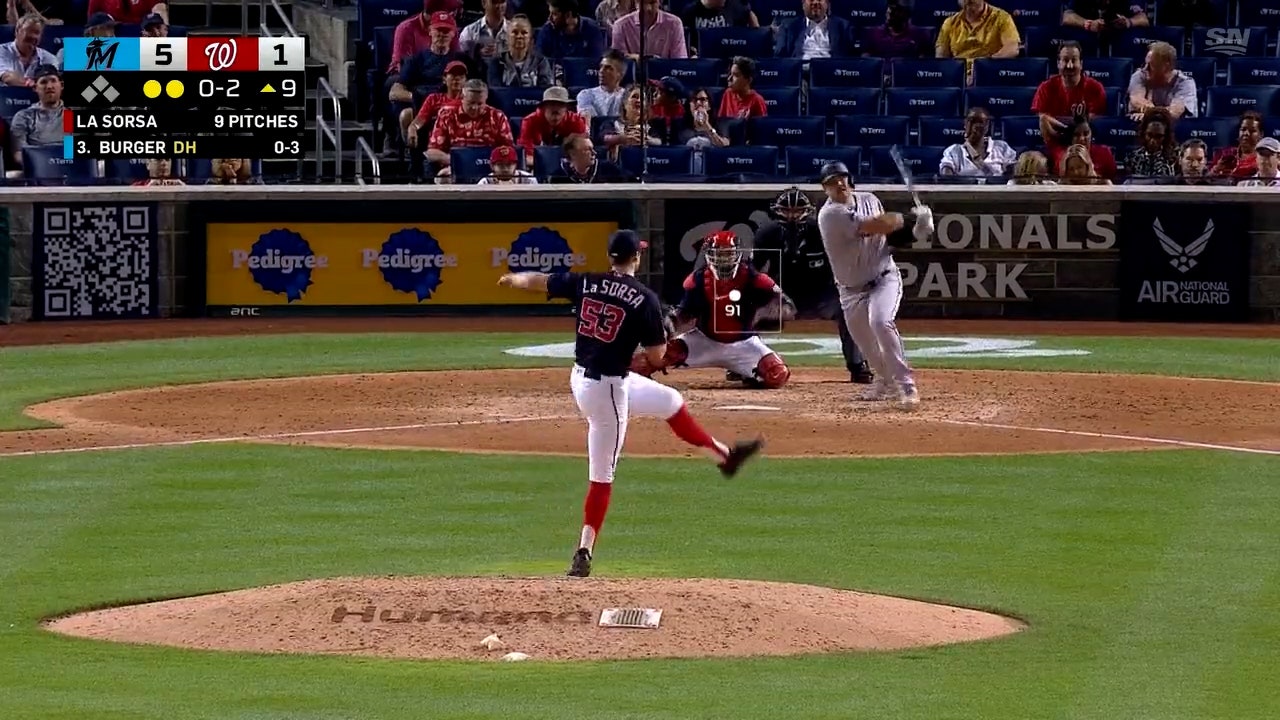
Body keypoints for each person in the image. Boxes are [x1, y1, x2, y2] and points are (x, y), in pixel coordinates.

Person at [497, 230, 764, 578]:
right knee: (603, 474)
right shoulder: (644, 298)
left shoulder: (587, 281)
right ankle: (583, 551)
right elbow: (656, 356)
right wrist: (664, 333)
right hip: (608, 391)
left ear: (610, 257)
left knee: (669, 400)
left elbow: (541, 281)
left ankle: (724, 458)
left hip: (583, 377)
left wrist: (512, 279)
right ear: (635, 258)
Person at [816, 161, 934, 409]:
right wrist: (910, 217)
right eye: (831, 182)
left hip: (884, 278)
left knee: (880, 322)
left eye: (842, 178)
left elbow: (888, 237)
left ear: (850, 179)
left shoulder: (869, 198)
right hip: (849, 290)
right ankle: (885, 382)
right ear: (824, 188)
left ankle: (907, 386)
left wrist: (919, 231)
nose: (839, 184)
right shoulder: (830, 215)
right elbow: (876, 226)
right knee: (866, 345)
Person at [631, 230, 795, 389]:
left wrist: (769, 313)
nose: (724, 260)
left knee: (777, 375)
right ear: (709, 255)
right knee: (640, 364)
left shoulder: (753, 278)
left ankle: (744, 371)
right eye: (719, 255)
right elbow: (684, 314)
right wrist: (669, 327)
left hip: (744, 344)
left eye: (728, 254)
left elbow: (787, 307)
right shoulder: (698, 279)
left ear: (737, 254)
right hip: (704, 341)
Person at [752, 186, 873, 383]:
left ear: (807, 211)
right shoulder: (767, 233)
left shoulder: (821, 231)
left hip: (821, 294)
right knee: (747, 304)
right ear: (777, 211)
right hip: (783, 294)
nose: (792, 216)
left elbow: (842, 263)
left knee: (849, 307)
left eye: (797, 211)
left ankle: (857, 365)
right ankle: (746, 363)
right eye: (787, 211)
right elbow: (753, 271)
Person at [1032, 41, 1108, 146]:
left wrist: (1069, 128)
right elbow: (1043, 119)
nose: (1070, 65)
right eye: (1066, 60)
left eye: (1074, 60)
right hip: (1056, 141)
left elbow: (1092, 122)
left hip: (1085, 142)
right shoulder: (1045, 87)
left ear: (1081, 64)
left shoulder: (1095, 88)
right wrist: (1066, 130)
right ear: (1058, 63)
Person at [1127, 40, 1197, 120]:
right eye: (1145, 63)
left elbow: (1175, 111)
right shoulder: (1139, 75)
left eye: (1151, 65)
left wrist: (1149, 116)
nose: (1145, 68)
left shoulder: (1185, 83)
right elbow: (1136, 100)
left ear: (1166, 66)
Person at [939, 106, 1016, 178]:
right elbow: (946, 171)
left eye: (980, 122)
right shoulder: (954, 150)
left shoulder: (1002, 147)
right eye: (972, 121)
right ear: (965, 124)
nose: (975, 126)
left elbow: (1013, 170)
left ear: (987, 125)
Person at [862, 0, 933, 59]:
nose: (889, 12)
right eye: (889, 7)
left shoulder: (920, 35)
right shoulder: (873, 33)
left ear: (906, 14)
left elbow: (923, 65)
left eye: (895, 9)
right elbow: (865, 62)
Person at [1209, 111, 1264, 180]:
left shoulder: (1264, 159)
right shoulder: (1223, 154)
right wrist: (1217, 169)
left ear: (1261, 134)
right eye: (1243, 129)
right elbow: (1206, 180)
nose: (1246, 133)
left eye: (1252, 131)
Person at [1123, 108, 1177, 179]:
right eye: (1149, 135)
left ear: (1166, 136)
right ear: (1144, 133)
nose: (1153, 141)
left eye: (1158, 136)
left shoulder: (1175, 158)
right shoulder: (1132, 158)